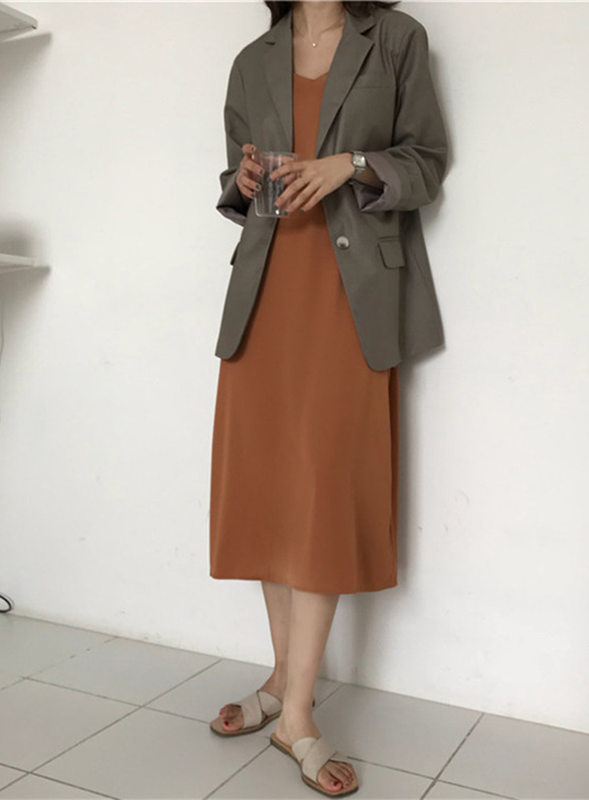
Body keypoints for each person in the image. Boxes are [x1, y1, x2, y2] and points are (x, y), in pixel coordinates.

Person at [209, 1, 448, 795]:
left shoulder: (397, 39)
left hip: (350, 297)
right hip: (265, 293)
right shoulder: (253, 58)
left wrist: (349, 164)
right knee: (272, 491)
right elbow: (234, 179)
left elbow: (427, 162)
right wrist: (243, 180)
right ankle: (283, 682)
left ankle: (298, 716)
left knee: (324, 492)